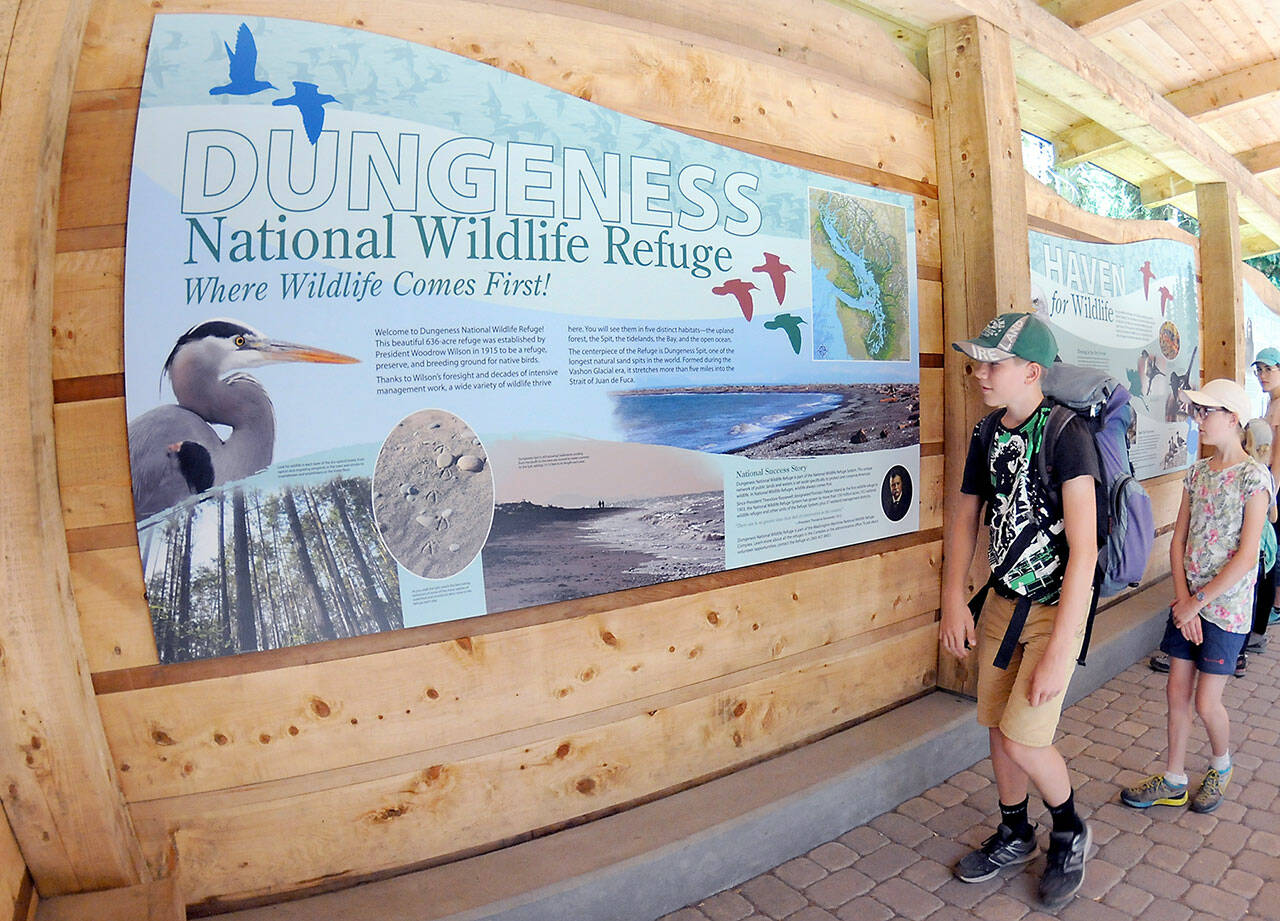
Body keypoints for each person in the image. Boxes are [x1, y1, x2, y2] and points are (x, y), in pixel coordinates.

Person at [941, 312, 1100, 911]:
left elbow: (1084, 551)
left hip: (1052, 611)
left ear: (1031, 371)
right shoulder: (987, 433)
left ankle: (1068, 830)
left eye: (993, 363)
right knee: (995, 726)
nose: (980, 372)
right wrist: (954, 596)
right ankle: (1014, 830)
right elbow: (965, 517)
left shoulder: (1066, 435)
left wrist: (1063, 647)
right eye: (979, 361)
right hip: (1000, 606)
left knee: (1025, 737)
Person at [1121, 379, 1269, 814]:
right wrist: (1183, 603)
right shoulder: (1197, 472)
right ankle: (1174, 778)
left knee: (1207, 701)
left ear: (1234, 418)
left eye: (1208, 412)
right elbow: (1177, 542)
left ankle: (1221, 766)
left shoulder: (1252, 479)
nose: (1199, 420)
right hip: (1190, 607)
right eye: (1198, 411)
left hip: (1224, 610)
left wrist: (1196, 603)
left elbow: (1246, 558)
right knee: (1175, 692)